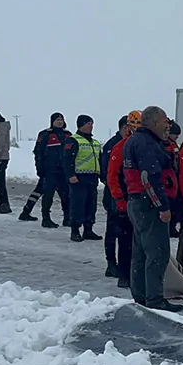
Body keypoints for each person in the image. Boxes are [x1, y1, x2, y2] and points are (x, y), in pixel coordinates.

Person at [123, 106, 183, 313]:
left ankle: (140, 295)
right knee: (157, 253)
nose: (168, 124)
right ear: (155, 122)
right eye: (165, 120)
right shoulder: (146, 144)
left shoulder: (135, 141)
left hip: (137, 202)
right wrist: (162, 207)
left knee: (140, 252)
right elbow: (149, 178)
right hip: (148, 204)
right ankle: (155, 299)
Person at [106, 111, 142, 288]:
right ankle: (124, 274)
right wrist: (119, 200)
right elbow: (112, 176)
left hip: (140, 199)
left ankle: (136, 273)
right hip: (125, 199)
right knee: (125, 237)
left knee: (139, 239)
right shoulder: (120, 147)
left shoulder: (146, 145)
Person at [63, 114, 102, 242]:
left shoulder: (95, 143)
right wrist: (71, 175)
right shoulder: (73, 140)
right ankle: (75, 230)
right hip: (79, 178)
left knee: (91, 205)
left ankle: (88, 229)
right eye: (88, 124)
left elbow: (99, 160)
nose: (91, 126)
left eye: (92, 123)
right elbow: (67, 159)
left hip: (92, 178)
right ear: (81, 125)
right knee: (78, 205)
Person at [101, 115, 129, 277]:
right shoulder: (113, 145)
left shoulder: (130, 143)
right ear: (123, 127)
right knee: (113, 230)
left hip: (124, 193)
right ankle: (111, 263)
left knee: (124, 232)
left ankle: (122, 263)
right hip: (114, 193)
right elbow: (107, 172)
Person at [33, 112, 72, 228]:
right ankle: (46, 218)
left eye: (61, 119)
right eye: (57, 120)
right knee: (48, 195)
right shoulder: (45, 134)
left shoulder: (68, 135)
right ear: (52, 122)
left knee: (66, 196)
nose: (60, 121)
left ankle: (67, 218)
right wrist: (39, 168)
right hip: (49, 171)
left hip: (63, 171)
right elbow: (38, 152)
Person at [165, 121, 183, 237]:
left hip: (173, 179)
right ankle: (171, 228)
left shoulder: (173, 145)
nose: (177, 136)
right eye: (175, 134)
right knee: (171, 207)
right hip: (170, 180)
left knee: (174, 206)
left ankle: (172, 228)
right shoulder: (167, 145)